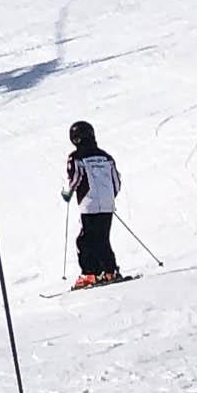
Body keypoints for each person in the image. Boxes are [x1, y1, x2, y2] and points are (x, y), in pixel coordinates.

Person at [64, 121, 121, 287]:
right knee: (103, 238)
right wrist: (109, 197)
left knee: (85, 240)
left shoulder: (76, 157)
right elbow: (116, 180)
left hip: (89, 203)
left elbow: (75, 178)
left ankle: (90, 273)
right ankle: (110, 271)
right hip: (107, 203)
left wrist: (67, 194)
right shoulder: (106, 156)